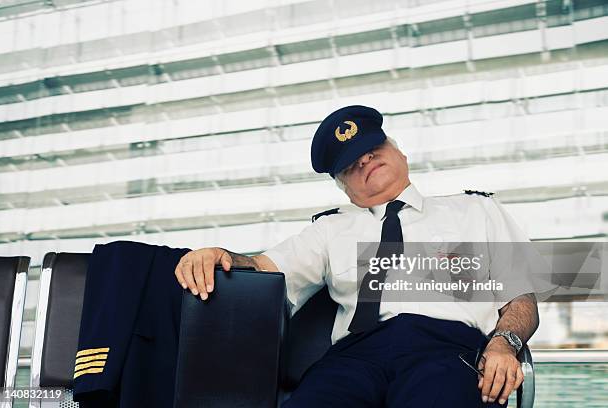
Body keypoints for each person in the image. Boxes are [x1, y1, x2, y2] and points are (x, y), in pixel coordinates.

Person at [174, 105, 540, 407]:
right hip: (353, 359)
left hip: (445, 351)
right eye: (352, 164)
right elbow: (264, 270)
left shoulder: (475, 210)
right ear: (345, 188)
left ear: (400, 153)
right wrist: (220, 255)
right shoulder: (330, 230)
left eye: (374, 149)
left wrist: (504, 344)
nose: (366, 161)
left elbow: (521, 296)